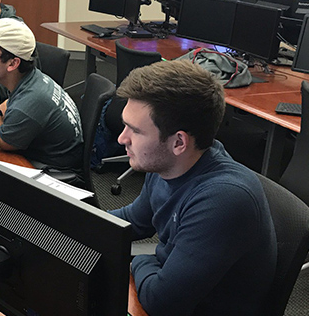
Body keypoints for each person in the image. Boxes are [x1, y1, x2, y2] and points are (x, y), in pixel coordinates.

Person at [108, 60, 277, 315]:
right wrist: (78, 222)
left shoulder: (223, 200)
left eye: (135, 130)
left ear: (179, 142)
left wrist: (141, 260)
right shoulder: (167, 164)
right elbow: (135, 220)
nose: (122, 139)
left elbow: (161, 302)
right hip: (170, 287)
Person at [0, 18, 84, 184]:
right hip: (49, 156)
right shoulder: (32, 78)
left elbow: (4, 142)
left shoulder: (31, 101)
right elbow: (12, 103)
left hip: (55, 175)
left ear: (12, 63)